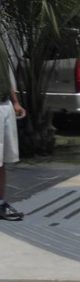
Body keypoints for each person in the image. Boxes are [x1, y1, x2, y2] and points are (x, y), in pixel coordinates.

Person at [0, 39, 26, 221]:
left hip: (4, 105)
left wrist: (15, 101)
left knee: (2, 161)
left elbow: (7, 73)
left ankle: (1, 203)